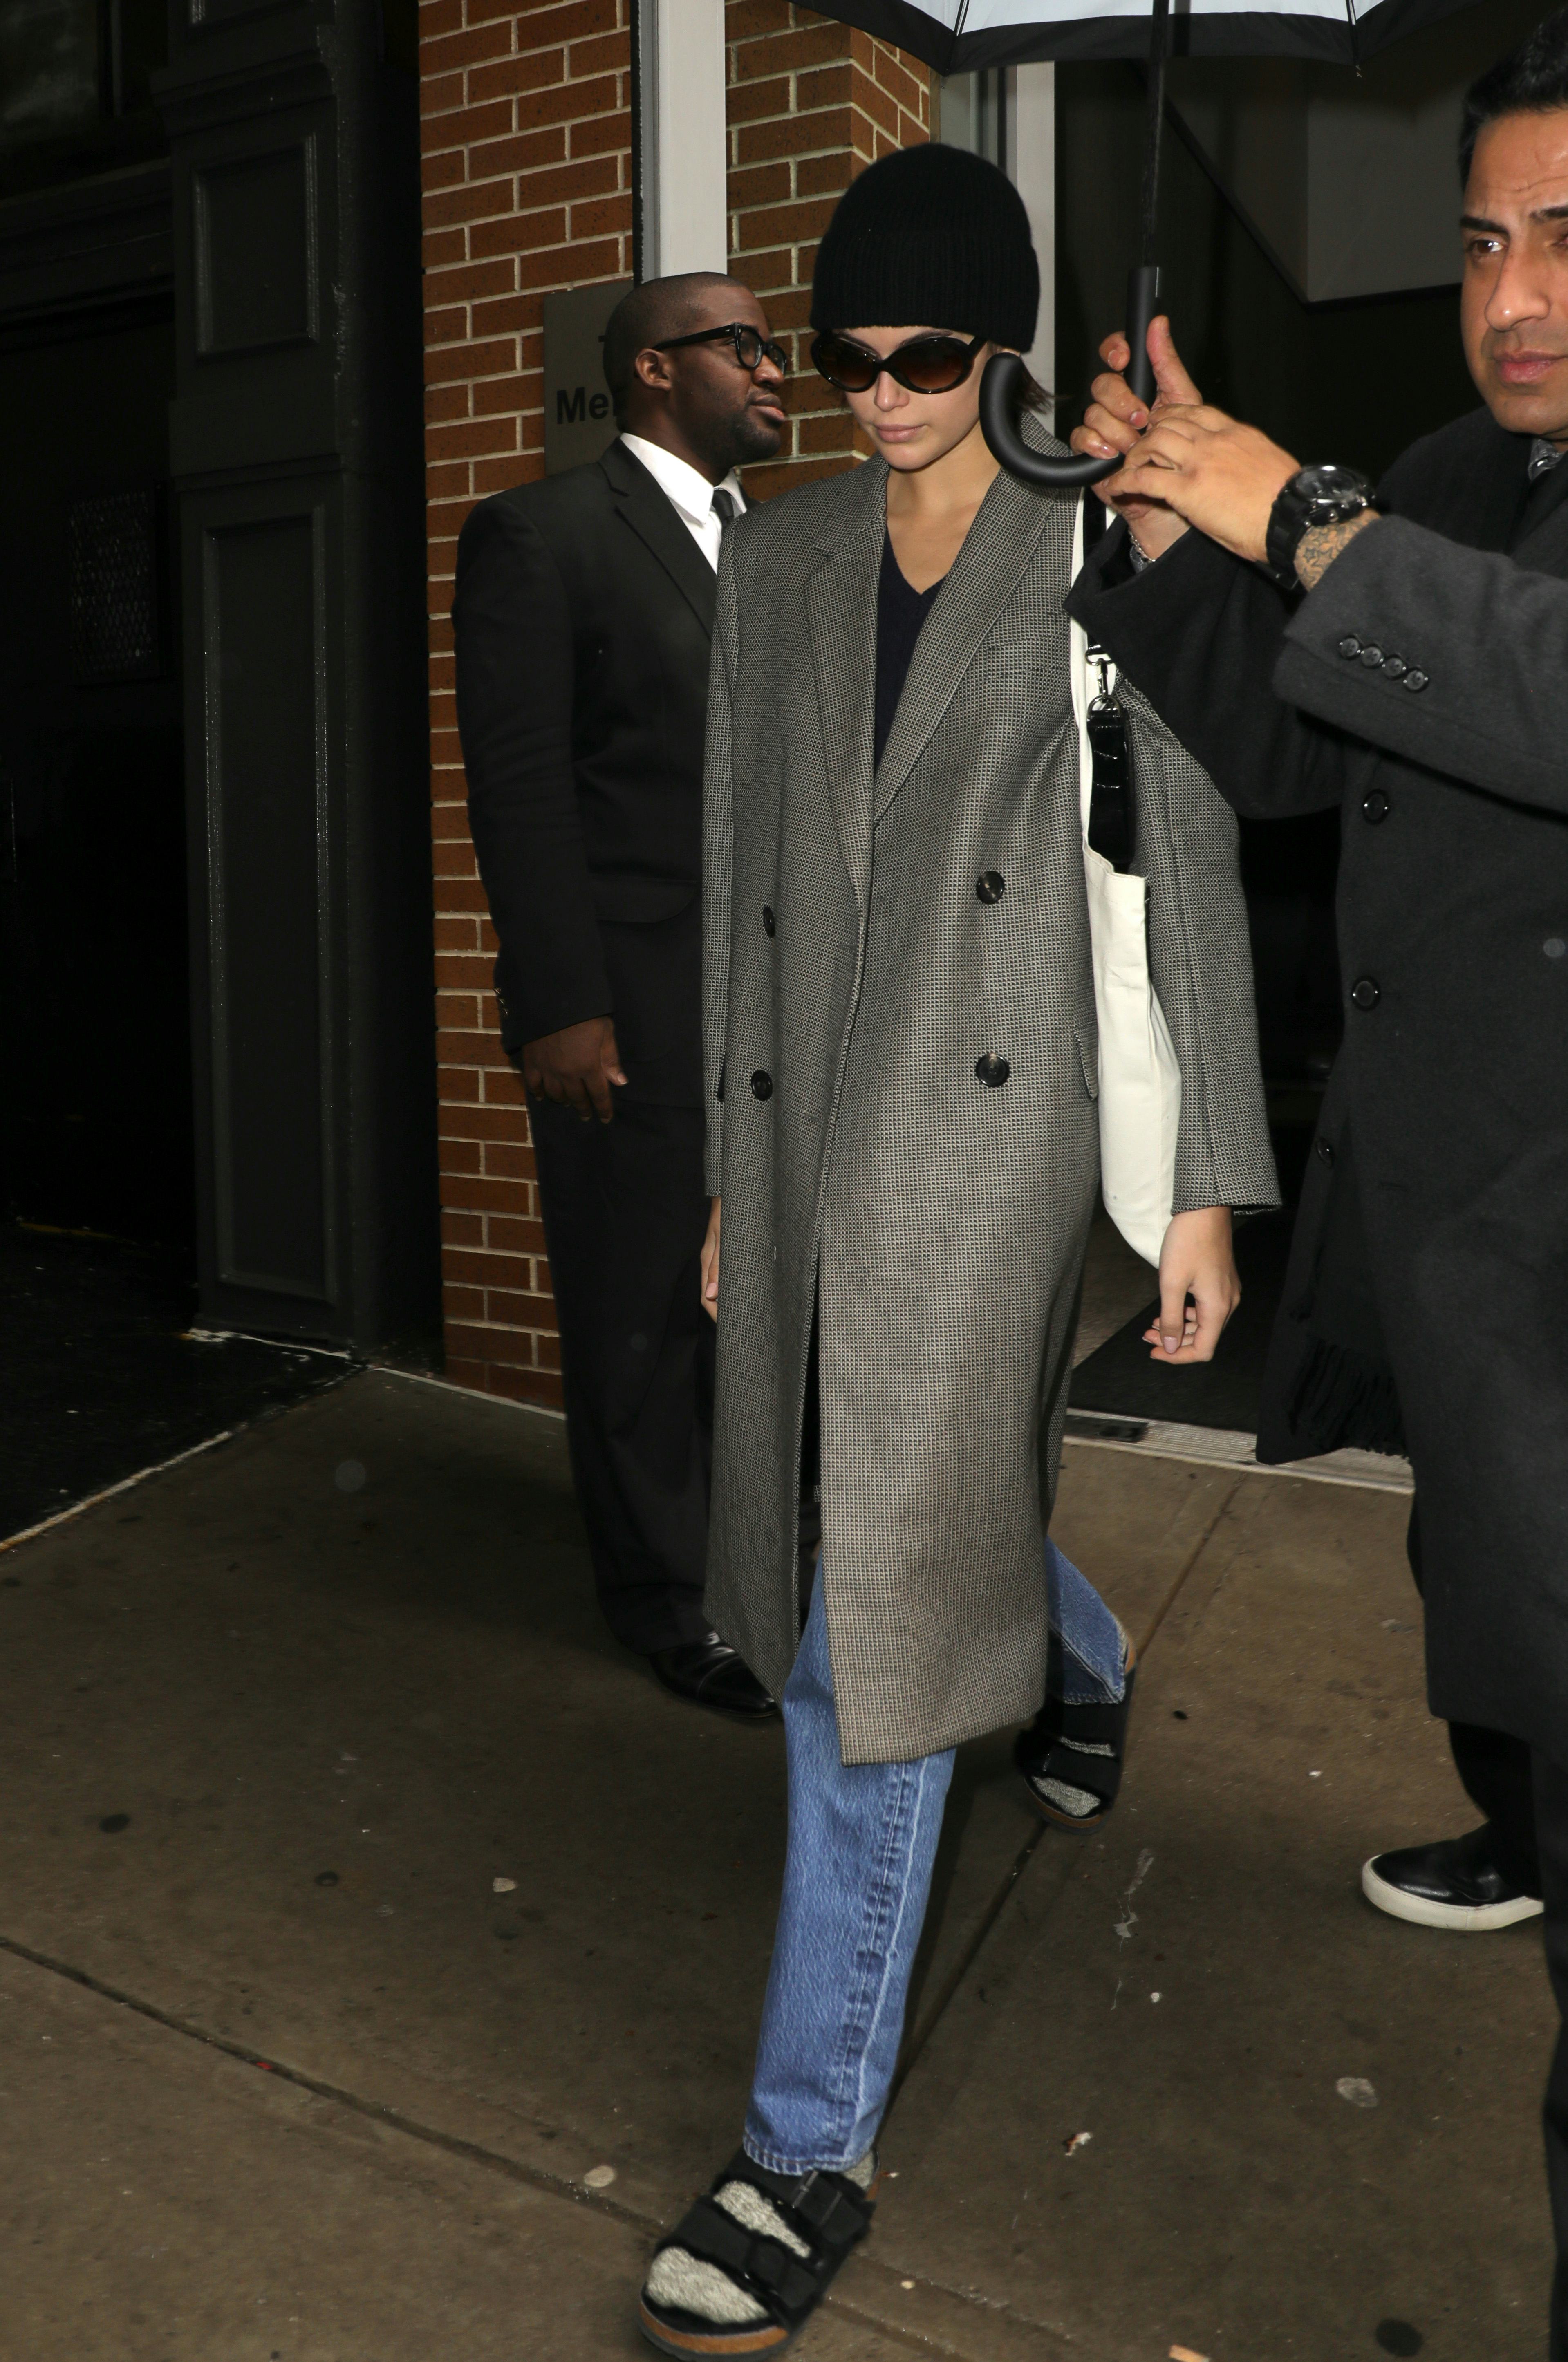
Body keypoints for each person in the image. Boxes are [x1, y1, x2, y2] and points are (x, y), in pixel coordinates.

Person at [636, 143, 1277, 2357]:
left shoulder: (1098, 536)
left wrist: (1199, 1165)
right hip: (814, 1113)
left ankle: (799, 2142)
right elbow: (741, 882)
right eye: (843, 356)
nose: (881, 394)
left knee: (867, 1629)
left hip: (990, 1132)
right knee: (907, 1517)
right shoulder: (788, 555)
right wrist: (730, 1164)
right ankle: (1072, 1661)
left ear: (999, 344)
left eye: (925, 356)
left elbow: (1171, 846)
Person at [1066, 10, 1568, 2344]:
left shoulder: (1397, 509)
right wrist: (1168, 541)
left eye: (1565, 236)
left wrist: (1304, 514)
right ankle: (1517, 1813)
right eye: (1476, 238)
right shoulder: (1458, 482)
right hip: (1459, 1247)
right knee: (1497, 1630)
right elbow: (1284, 740)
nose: (1508, 293)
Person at [453, 274, 787, 1719]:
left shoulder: (768, 551)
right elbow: (521, 788)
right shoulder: (543, 535)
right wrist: (559, 1007)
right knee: (640, 1304)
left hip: (766, 1006)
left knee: (747, 1303)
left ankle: (749, 1554)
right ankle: (664, 1600)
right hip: (629, 1011)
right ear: (656, 370)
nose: (777, 367)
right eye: (746, 345)